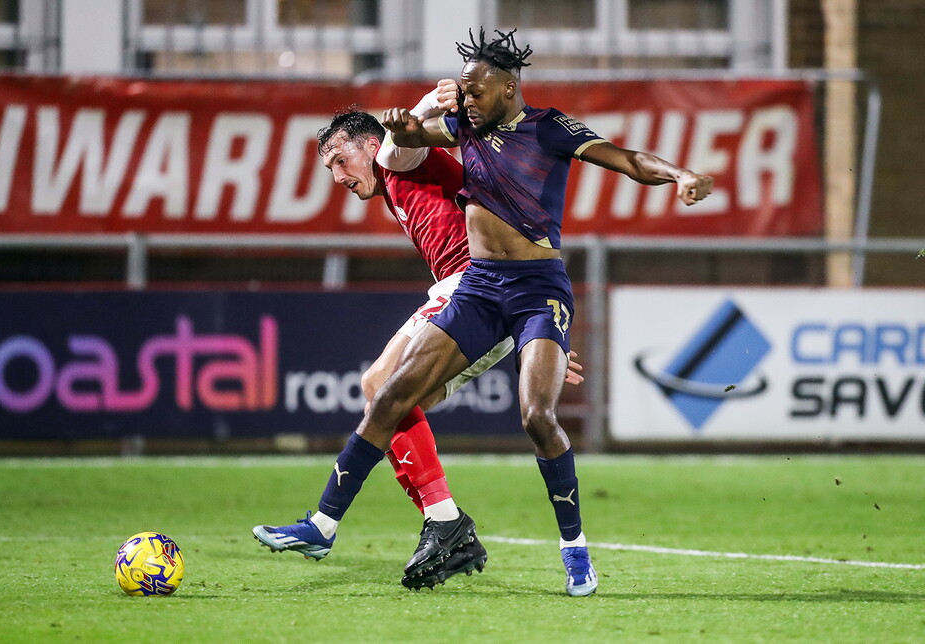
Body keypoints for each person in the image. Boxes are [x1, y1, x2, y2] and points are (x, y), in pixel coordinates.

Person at [377, 27, 712, 597]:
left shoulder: (549, 127)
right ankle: (353, 519)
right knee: (390, 392)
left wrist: (679, 174)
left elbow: (626, 159)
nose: (468, 99)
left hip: (538, 287)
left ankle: (575, 550)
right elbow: (406, 144)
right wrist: (411, 120)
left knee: (537, 416)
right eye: (463, 91)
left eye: (476, 90)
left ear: (509, 88)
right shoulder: (464, 127)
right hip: (482, 286)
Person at [252, 92, 584, 590]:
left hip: (474, 288)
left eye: (340, 161)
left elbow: (403, 133)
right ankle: (445, 521)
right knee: (398, 406)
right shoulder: (397, 186)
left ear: (369, 145)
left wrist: (431, 99)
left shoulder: (403, 159)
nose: (338, 178)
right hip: (490, 299)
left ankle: (352, 523)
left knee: (380, 383)